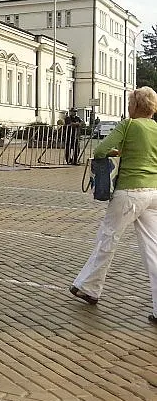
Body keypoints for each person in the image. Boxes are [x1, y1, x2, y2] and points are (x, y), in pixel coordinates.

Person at [70, 87, 157, 324]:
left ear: (136, 106)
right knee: (153, 250)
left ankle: (90, 287)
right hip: (153, 193)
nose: (128, 107)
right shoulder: (156, 128)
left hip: (130, 191)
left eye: (130, 103)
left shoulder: (128, 125)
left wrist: (116, 151)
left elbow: (99, 150)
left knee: (107, 239)